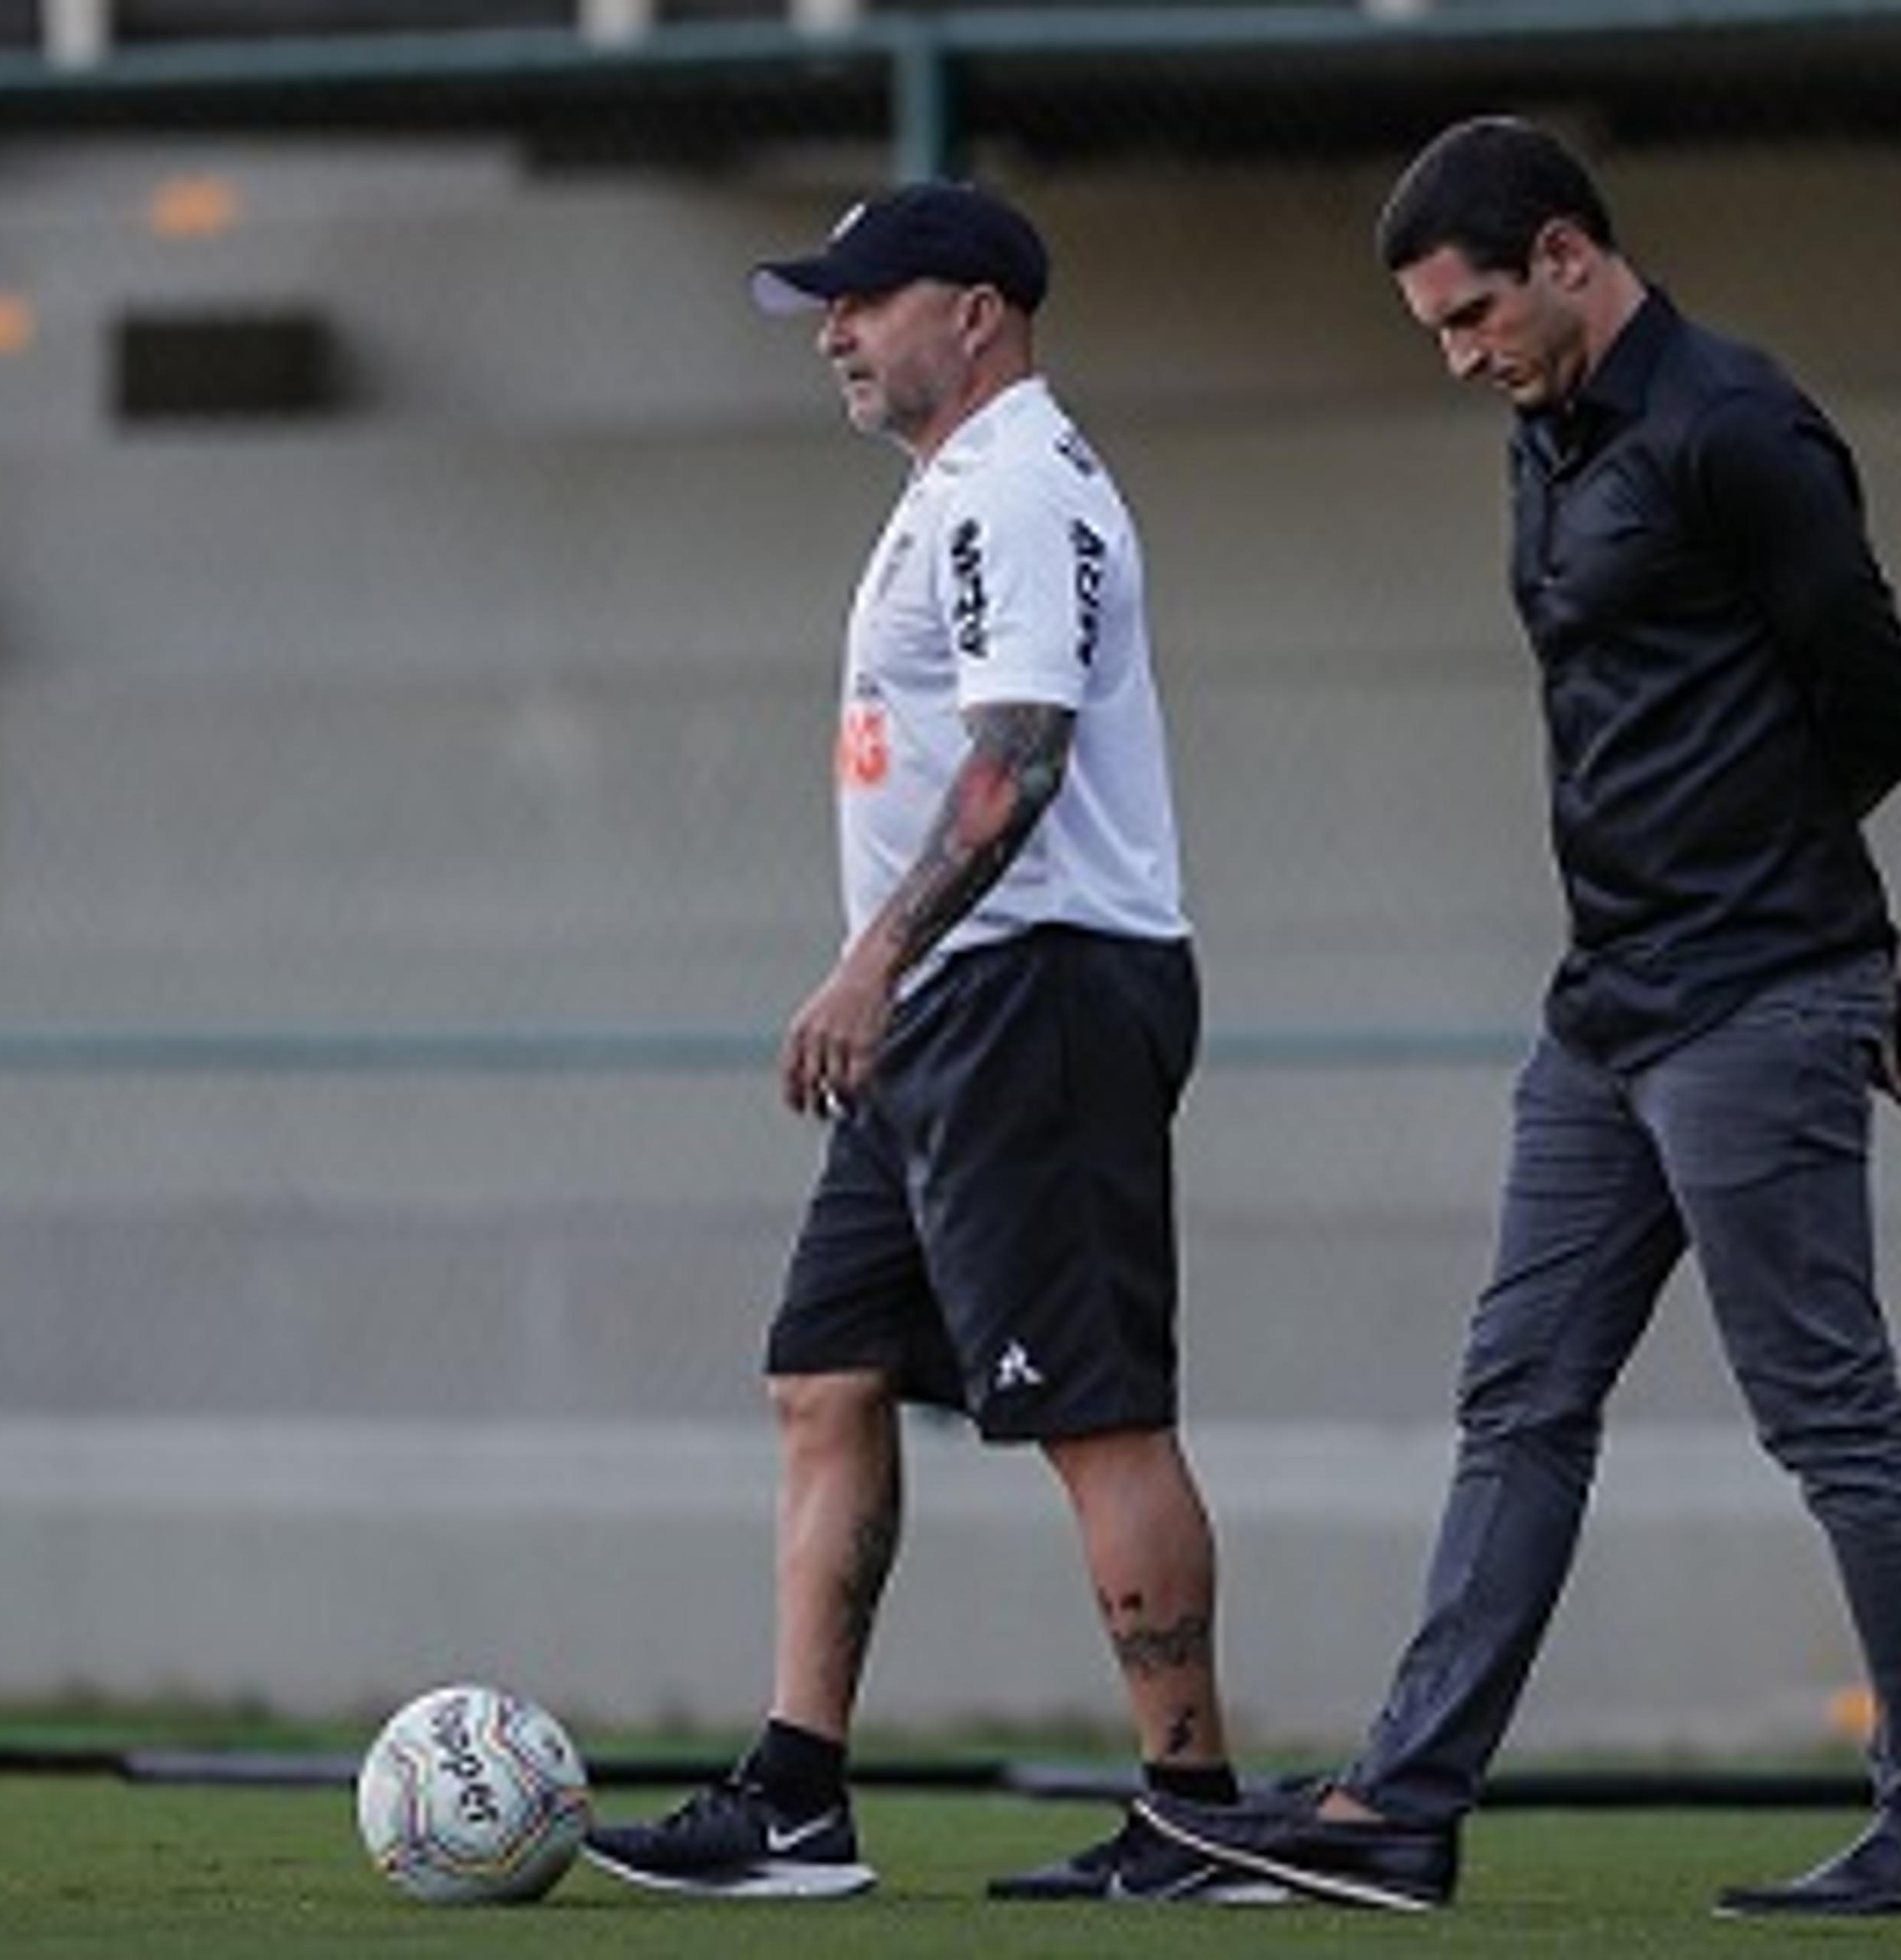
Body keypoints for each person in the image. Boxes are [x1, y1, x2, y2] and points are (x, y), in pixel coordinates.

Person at [1135, 116, 1901, 1917]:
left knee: (1826, 1410)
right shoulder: (1547, 436)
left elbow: (1876, 702)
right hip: (1604, 1008)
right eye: (1438, 332)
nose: (1458, 356)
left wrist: (1821, 935)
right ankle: (1404, 1807)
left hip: (1749, 998)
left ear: (1563, 253)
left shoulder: (1737, 428)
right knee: (1518, 1396)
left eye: (1472, 315)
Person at [581, 181, 1275, 1907]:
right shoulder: (960, 488)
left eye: (864, 298)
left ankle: (1198, 1813)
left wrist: (872, 960)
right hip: (954, 1004)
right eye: (826, 301)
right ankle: (797, 1796)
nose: (833, 328)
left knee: (1094, 1412)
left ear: (976, 311)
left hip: (1026, 987)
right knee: (823, 1375)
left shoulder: (1017, 485)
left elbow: (1020, 753)